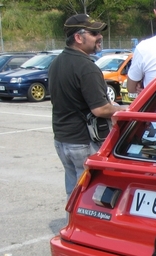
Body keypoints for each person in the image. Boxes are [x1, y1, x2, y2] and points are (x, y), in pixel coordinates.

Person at [49, 14, 126, 197]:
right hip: (83, 142)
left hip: (62, 139)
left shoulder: (56, 63)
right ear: (78, 37)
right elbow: (100, 109)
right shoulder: (86, 67)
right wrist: (125, 109)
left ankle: (73, 223)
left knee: (74, 191)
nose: (99, 36)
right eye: (94, 33)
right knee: (90, 194)